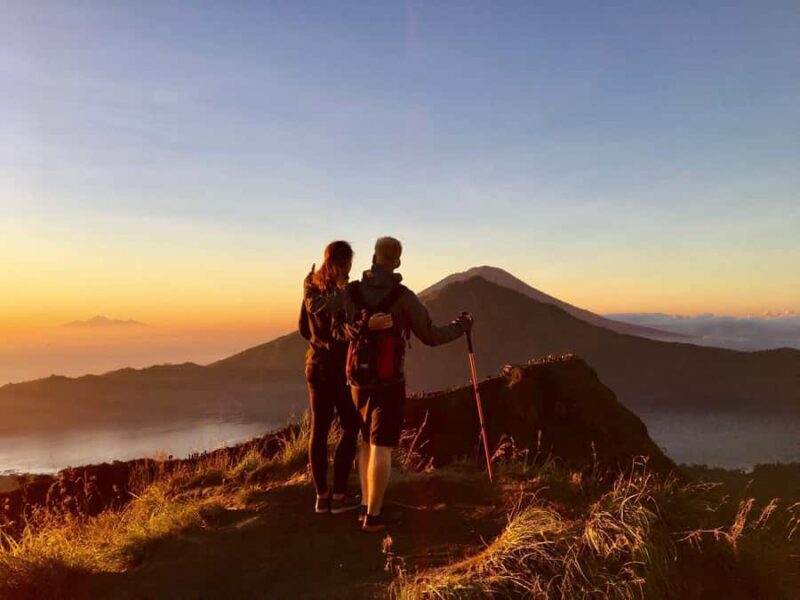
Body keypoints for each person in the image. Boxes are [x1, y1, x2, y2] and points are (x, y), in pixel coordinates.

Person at [341, 236, 473, 532]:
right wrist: (461, 327)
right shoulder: (403, 297)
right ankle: (374, 516)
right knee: (382, 446)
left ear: (373, 258)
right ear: (397, 262)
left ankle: (365, 503)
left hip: (356, 381)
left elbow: (339, 329)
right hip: (389, 383)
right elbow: (431, 336)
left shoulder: (350, 292)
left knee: (365, 442)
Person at [298, 241, 392, 514]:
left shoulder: (311, 286)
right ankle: (339, 495)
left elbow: (303, 326)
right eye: (349, 265)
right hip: (338, 368)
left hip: (314, 366)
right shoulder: (344, 292)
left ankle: (321, 497)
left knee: (319, 428)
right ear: (344, 263)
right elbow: (347, 330)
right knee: (351, 426)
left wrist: (318, 343)